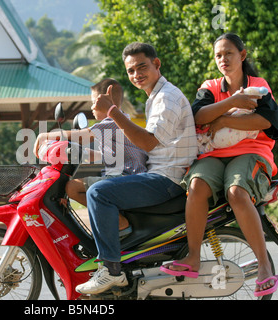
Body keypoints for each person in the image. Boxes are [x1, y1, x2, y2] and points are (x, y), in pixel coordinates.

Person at [160, 33, 278, 297]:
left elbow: (265, 122)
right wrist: (232, 103)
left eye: (228, 53)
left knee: (236, 192)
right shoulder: (210, 86)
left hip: (252, 152)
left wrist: (223, 120)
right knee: (196, 185)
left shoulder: (259, 85)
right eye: (218, 55)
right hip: (213, 156)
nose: (223, 59)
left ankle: (264, 267)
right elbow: (198, 116)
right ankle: (193, 257)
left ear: (242, 55)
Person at [75, 42, 198, 295]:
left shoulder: (167, 98)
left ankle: (111, 269)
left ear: (157, 64)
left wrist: (112, 111)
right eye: (131, 71)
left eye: (142, 67)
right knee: (103, 186)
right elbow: (143, 145)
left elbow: (148, 142)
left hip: (168, 179)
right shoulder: (155, 96)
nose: (136, 74)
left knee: (98, 193)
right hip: (160, 173)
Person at [34, 78, 148, 234]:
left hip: (125, 177)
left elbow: (84, 135)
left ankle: (120, 222)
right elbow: (108, 155)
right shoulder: (122, 120)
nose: (92, 107)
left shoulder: (112, 121)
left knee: (72, 187)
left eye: (94, 102)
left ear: (108, 101)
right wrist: (83, 153)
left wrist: (46, 136)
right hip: (127, 175)